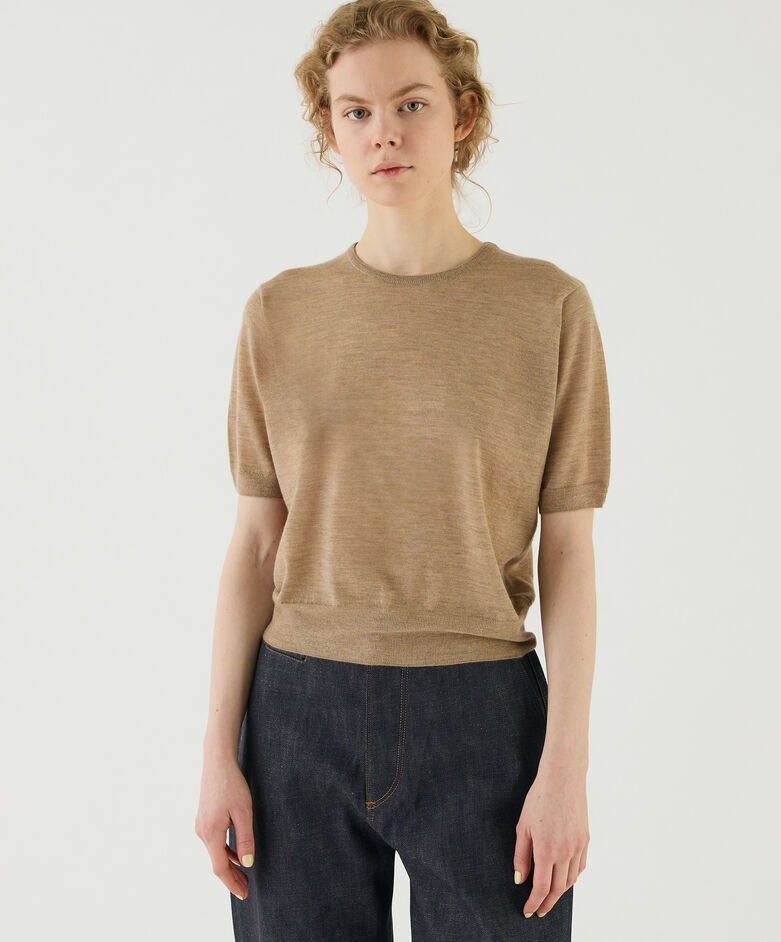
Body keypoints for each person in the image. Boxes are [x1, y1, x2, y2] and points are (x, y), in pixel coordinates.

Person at [195, 1, 611, 939]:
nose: (383, 132)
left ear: (463, 114)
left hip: (482, 714)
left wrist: (565, 771)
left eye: (411, 104)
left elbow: (570, 553)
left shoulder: (546, 308)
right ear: (330, 132)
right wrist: (218, 752)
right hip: (295, 714)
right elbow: (253, 544)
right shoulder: (279, 313)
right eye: (356, 111)